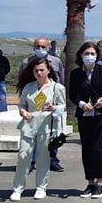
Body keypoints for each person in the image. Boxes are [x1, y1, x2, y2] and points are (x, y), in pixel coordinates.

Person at [11, 58, 66, 201]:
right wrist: (23, 112)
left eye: (42, 70)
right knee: (23, 156)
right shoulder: (29, 87)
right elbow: (22, 105)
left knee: (43, 157)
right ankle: (18, 188)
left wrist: (54, 108)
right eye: (36, 70)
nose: (39, 73)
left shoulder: (57, 88)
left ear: (48, 70)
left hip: (46, 126)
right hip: (29, 125)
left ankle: (41, 187)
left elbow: (62, 106)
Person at [69, 41, 102, 199]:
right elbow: (73, 95)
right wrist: (82, 104)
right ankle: (90, 182)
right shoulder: (76, 74)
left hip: (101, 115)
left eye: (92, 54)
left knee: (96, 148)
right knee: (86, 149)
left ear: (97, 56)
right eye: (86, 53)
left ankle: (100, 183)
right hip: (84, 115)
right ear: (81, 55)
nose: (89, 56)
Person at [20, 37, 65, 172]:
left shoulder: (56, 61)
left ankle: (53, 160)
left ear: (48, 48)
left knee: (51, 133)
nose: (40, 49)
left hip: (50, 103)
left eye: (43, 47)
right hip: (33, 101)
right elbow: (22, 80)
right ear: (33, 47)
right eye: (37, 46)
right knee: (32, 135)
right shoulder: (26, 62)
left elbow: (61, 79)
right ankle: (31, 161)